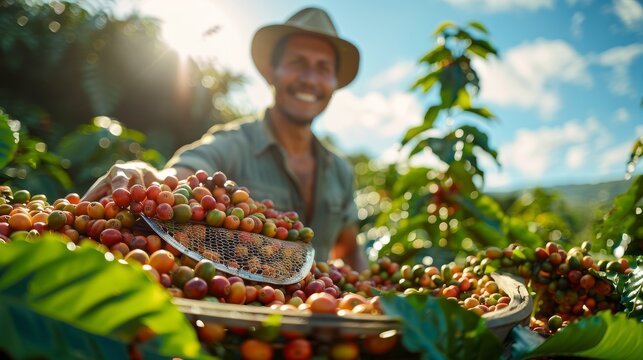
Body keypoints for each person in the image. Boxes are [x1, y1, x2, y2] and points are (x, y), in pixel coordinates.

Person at [83, 7, 367, 271]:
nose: (309, 78)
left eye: (323, 68)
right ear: (272, 72)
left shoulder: (340, 172)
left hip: (319, 315)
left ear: (333, 83)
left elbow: (348, 250)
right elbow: (182, 177)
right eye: (297, 62)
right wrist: (151, 180)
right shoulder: (233, 145)